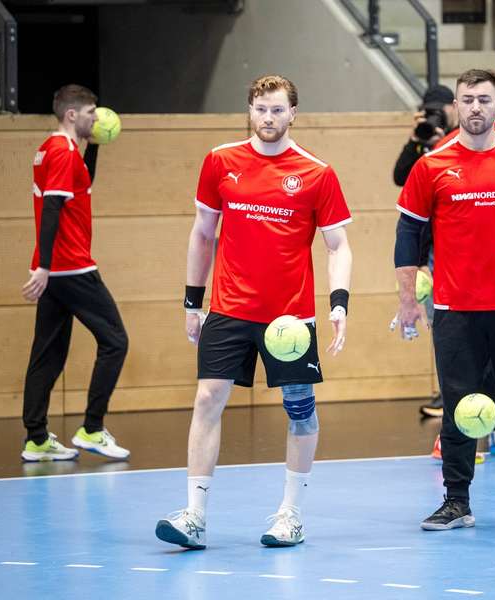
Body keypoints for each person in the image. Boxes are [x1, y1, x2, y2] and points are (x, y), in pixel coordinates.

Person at [155, 75, 353, 549]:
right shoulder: (220, 161)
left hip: (291, 319)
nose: (268, 117)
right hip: (229, 309)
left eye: (278, 109)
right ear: (250, 110)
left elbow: (338, 245)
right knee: (207, 399)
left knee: (299, 410)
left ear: (293, 114)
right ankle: (195, 516)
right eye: (261, 109)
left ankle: (291, 515)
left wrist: (339, 303)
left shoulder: (316, 172)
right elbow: (203, 234)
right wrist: (192, 302)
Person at [395, 69, 495, 529]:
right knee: (456, 409)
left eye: (483, 100)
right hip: (456, 310)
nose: (475, 108)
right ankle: (456, 502)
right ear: (456, 105)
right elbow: (408, 235)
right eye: (467, 99)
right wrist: (407, 299)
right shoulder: (431, 165)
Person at [20, 84, 130, 462]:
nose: (95, 118)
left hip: (57, 271)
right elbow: (52, 209)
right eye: (90, 113)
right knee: (115, 341)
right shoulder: (63, 154)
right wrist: (44, 266)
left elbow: (81, 186)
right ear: (72, 114)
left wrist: (94, 146)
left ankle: (36, 438)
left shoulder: (51, 150)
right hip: (72, 267)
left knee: (47, 355)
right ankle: (92, 429)